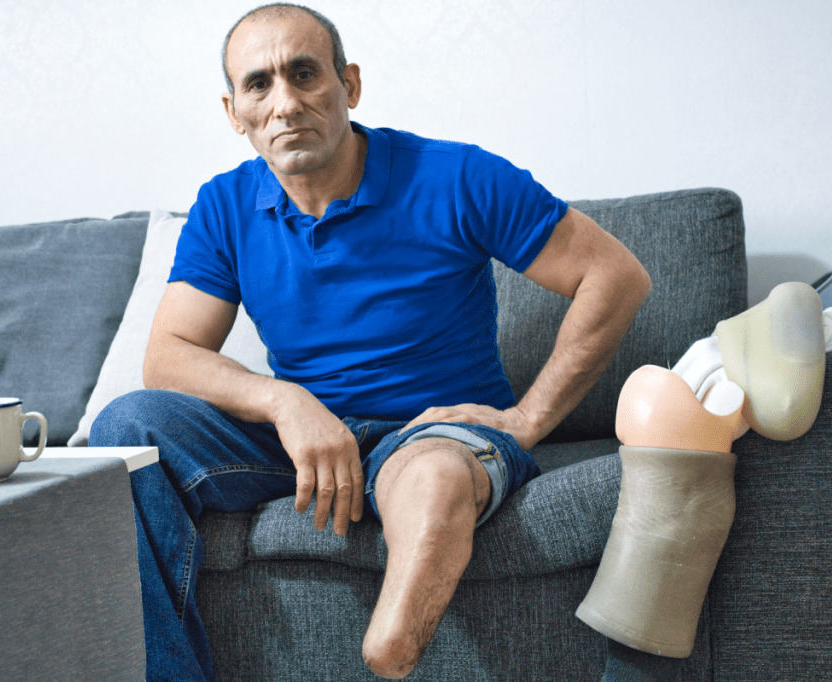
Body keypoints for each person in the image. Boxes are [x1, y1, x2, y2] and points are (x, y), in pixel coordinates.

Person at [89, 3, 654, 680]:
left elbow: (614, 275)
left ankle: (391, 647)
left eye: (304, 74)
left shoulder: (457, 176)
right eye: (259, 85)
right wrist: (286, 403)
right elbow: (168, 355)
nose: (285, 103)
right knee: (128, 428)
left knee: (436, 478)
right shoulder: (224, 205)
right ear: (234, 111)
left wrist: (528, 420)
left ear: (349, 84)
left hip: (432, 431)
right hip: (302, 442)